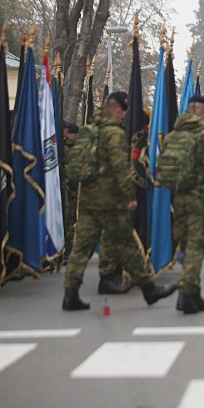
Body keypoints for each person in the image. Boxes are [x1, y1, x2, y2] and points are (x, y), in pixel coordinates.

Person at [62, 92, 176, 311]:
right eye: (123, 111)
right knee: (129, 246)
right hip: (110, 203)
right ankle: (149, 290)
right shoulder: (114, 133)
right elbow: (120, 168)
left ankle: (70, 293)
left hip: (88, 201)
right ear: (117, 109)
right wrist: (129, 196)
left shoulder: (88, 130)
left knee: (81, 249)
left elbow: (75, 165)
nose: (124, 115)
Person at [161, 94, 204, 313]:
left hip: (178, 196)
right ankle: (185, 293)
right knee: (197, 246)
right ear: (202, 111)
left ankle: (194, 293)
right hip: (201, 196)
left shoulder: (174, 134)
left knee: (188, 244)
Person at [62, 122, 79, 264]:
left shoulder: (76, 148)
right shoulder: (64, 147)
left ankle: (68, 250)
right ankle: (65, 250)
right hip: (67, 188)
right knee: (66, 220)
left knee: (71, 220)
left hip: (73, 189)